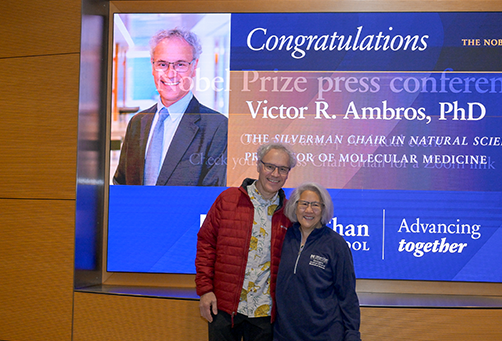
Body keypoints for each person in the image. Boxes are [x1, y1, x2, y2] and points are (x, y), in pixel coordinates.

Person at [195, 142, 297, 341]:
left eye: (282, 169)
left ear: (287, 173)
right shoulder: (228, 200)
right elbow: (206, 244)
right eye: (270, 166)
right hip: (224, 308)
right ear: (258, 166)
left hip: (265, 314)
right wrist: (205, 290)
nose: (275, 174)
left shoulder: (289, 213)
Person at [113, 28, 227, 186]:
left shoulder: (217, 126)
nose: (170, 73)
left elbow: (213, 196)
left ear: (194, 67)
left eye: (180, 64)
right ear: (152, 66)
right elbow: (121, 184)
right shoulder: (137, 122)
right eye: (162, 64)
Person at [274, 182, 361, 341]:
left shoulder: (336, 244)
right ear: (294, 206)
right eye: (304, 204)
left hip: (325, 334)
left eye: (315, 205)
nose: (309, 210)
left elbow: (347, 295)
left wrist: (352, 333)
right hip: (285, 334)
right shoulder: (283, 237)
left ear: (323, 209)